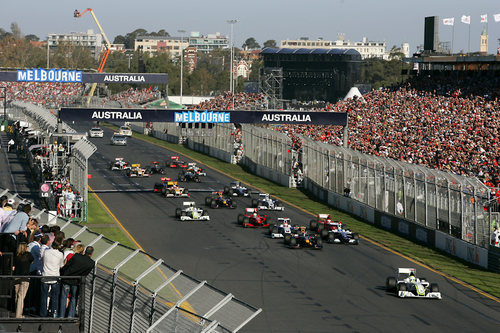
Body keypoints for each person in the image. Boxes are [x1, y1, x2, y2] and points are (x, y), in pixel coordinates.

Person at [59, 246, 95, 318]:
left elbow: (67, 266)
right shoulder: (91, 263)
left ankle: (61, 316)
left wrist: (62, 273)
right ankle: (70, 316)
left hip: (67, 278)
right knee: (74, 298)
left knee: (63, 297)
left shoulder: (76, 256)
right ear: (91, 254)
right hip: (76, 282)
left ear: (85, 251)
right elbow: (85, 274)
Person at [40, 240, 64, 317]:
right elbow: (61, 265)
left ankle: (43, 314)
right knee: (55, 297)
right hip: (55, 277)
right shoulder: (60, 254)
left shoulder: (46, 252)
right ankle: (54, 313)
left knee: (44, 297)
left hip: (45, 276)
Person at [13, 242, 34, 318]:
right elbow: (32, 261)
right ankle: (18, 315)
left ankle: (17, 312)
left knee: (17, 296)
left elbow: (13, 267)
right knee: (21, 296)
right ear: (25, 247)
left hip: (16, 277)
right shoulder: (28, 255)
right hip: (25, 277)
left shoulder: (16, 256)